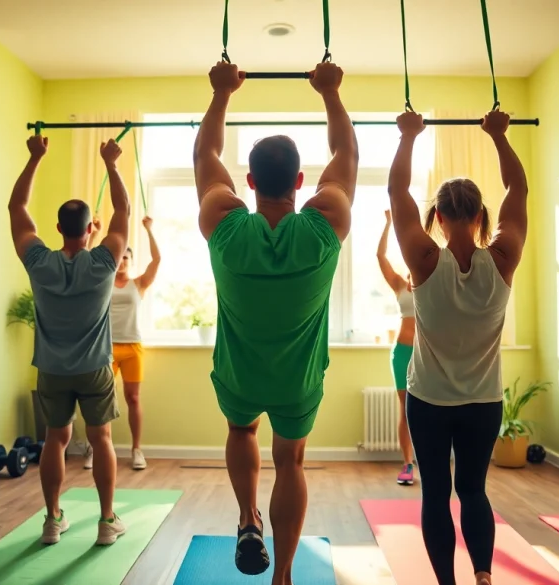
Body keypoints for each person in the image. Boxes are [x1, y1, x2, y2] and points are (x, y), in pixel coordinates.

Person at [193, 60, 357, 585]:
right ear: (301, 181)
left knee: (241, 429)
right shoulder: (324, 225)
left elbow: (205, 155)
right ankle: (282, 575)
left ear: (249, 181)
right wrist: (330, 93)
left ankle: (247, 518)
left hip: (239, 374)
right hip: (298, 380)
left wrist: (221, 94)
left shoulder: (224, 223)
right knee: (291, 463)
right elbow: (347, 154)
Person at [387, 109, 527, 585]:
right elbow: (518, 192)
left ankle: (447, 583)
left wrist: (408, 138)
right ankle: (484, 575)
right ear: (481, 215)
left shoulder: (425, 261)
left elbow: (396, 192)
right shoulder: (503, 258)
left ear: (439, 217)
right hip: (483, 403)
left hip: (429, 401)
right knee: (474, 490)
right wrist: (499, 137)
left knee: (436, 493)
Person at [8, 134, 130, 547]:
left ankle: (52, 520)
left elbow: (17, 209)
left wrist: (35, 158)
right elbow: (124, 211)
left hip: (52, 370)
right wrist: (112, 165)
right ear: (88, 229)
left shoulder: (39, 263)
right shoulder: (103, 262)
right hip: (94, 369)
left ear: (58, 228)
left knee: (54, 441)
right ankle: (107, 521)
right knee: (102, 441)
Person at [83, 215, 161, 471]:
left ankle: (137, 450)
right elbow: (86, 261)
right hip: (105, 348)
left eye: (126, 257)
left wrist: (148, 230)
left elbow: (157, 260)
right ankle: (94, 448)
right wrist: (93, 234)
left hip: (132, 348)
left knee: (133, 398)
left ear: (130, 260)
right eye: (119, 258)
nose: (122, 261)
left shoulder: (138, 283)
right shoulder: (102, 281)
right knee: (100, 401)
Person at [377, 209, 416, 485]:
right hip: (402, 353)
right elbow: (381, 257)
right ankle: (407, 464)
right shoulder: (400, 285)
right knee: (404, 409)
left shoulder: (433, 287)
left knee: (427, 410)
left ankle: (430, 462)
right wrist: (389, 224)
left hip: (426, 356)